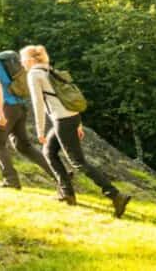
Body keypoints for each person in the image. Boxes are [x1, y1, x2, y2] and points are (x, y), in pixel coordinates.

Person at [21, 44, 131, 217]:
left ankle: (115, 195)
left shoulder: (34, 74)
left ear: (29, 60)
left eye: (23, 59)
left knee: (78, 162)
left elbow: (38, 104)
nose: (22, 63)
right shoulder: (50, 70)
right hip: (70, 118)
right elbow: (68, 99)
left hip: (62, 121)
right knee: (49, 152)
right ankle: (67, 194)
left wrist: (39, 130)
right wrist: (78, 123)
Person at [0, 36, 55, 189]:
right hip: (18, 107)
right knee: (23, 146)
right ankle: (59, 173)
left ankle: (11, 181)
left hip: (6, 107)